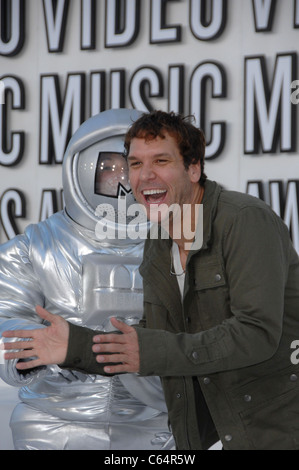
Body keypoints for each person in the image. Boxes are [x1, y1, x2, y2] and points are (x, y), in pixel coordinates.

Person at [4, 110, 299, 450]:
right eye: (127, 165)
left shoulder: (242, 221)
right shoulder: (43, 245)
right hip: (58, 422)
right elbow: (6, 316)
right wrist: (53, 349)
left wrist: (146, 353)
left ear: (193, 168)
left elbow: (253, 332)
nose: (138, 178)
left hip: (241, 425)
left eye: (161, 161)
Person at [0, 109, 173, 450]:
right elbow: (6, 317)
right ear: (80, 169)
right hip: (54, 422)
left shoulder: (180, 246)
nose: (123, 180)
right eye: (110, 168)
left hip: (154, 422)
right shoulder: (34, 248)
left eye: (133, 166)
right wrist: (42, 347)